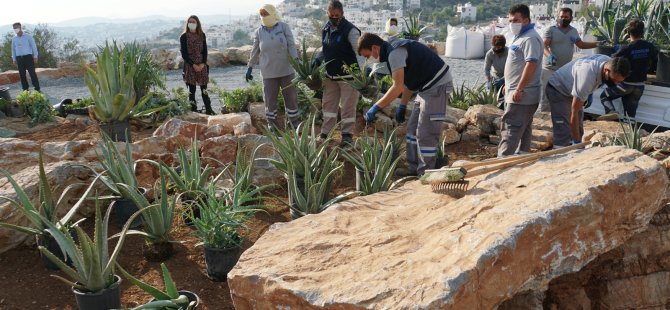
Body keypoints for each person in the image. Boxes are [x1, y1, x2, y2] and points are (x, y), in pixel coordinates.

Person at [358, 33, 453, 176]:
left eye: (367, 56)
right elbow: (408, 82)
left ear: (374, 48)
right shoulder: (390, 51)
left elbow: (397, 87)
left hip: (437, 86)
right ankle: (414, 168)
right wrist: (402, 105)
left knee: (425, 132)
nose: (368, 59)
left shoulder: (394, 53)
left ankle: (425, 173)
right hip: (424, 88)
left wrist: (376, 107)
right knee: (412, 128)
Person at [546, 55, 630, 147]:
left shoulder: (610, 62)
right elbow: (574, 112)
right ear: (606, 71)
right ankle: (560, 151)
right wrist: (577, 143)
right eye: (614, 80)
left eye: (619, 81)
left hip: (574, 87)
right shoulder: (587, 77)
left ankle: (572, 145)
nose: (616, 83)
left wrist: (589, 93)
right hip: (558, 89)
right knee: (563, 129)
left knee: (579, 127)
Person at [498, 4, 543, 157]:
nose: (512, 24)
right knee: (524, 127)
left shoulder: (530, 38)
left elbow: (531, 64)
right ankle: (522, 155)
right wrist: (508, 84)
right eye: (510, 21)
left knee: (511, 127)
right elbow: (517, 65)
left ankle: (502, 160)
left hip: (523, 94)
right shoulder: (521, 37)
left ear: (526, 20)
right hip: (517, 91)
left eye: (515, 20)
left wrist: (519, 89)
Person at [246, 4, 301, 130]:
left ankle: (293, 122)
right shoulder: (259, 31)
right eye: (262, 14)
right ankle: (272, 124)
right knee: (270, 100)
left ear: (272, 13)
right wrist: (250, 67)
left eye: (266, 14)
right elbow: (255, 51)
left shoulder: (283, 27)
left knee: (291, 97)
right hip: (268, 72)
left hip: (286, 70)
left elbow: (291, 46)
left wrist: (296, 61)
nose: (264, 17)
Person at [539, 7, 603, 112]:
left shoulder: (573, 31)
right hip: (549, 68)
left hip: (565, 69)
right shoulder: (551, 30)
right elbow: (544, 45)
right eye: (561, 17)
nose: (563, 19)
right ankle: (545, 115)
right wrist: (549, 55)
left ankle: (559, 115)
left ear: (571, 18)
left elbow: (581, 44)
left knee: (563, 94)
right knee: (546, 94)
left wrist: (597, 44)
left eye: (566, 17)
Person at [318, 0, 363, 147]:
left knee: (348, 106)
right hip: (330, 76)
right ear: (328, 14)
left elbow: (359, 52)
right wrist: (317, 60)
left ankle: (347, 135)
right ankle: (326, 132)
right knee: (328, 105)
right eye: (331, 15)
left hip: (348, 77)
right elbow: (325, 49)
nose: (334, 17)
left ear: (342, 14)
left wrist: (362, 72)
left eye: (337, 15)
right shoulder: (326, 29)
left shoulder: (350, 30)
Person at [599, 19, 657, 120]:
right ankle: (629, 134)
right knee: (630, 116)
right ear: (642, 33)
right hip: (639, 86)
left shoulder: (626, 48)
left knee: (604, 96)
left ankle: (611, 113)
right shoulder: (649, 46)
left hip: (625, 85)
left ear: (628, 33)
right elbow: (655, 61)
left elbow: (611, 60)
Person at [180, 15, 214, 115]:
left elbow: (205, 51)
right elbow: (184, 53)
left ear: (197, 23)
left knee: (204, 89)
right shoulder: (184, 36)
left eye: (193, 22)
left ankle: (209, 109)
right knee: (192, 90)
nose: (191, 23)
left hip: (202, 64)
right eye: (189, 22)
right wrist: (193, 64)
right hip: (190, 66)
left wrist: (203, 63)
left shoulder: (202, 35)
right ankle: (193, 111)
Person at [11, 22, 40, 92]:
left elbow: (33, 46)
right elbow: (13, 49)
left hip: (28, 57)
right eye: (14, 28)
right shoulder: (14, 39)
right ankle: (25, 89)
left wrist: (35, 56)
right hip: (19, 58)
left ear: (20, 27)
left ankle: (37, 88)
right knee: (22, 74)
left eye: (16, 27)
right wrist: (14, 59)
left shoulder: (28, 36)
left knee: (32, 73)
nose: (15, 29)